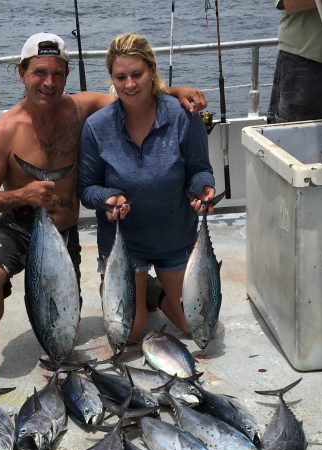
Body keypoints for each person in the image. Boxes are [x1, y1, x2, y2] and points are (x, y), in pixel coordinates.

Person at [0, 32, 206, 389]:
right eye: (39, 73)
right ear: (22, 73)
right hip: (19, 226)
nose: (49, 82)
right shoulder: (4, 130)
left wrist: (175, 91)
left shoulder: (80, 109)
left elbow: (131, 93)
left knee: (72, 321)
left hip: (62, 234)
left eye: (58, 74)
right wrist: (23, 194)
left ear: (66, 75)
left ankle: (151, 291)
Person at [78, 33, 216, 345]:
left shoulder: (183, 115)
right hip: (124, 245)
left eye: (137, 74)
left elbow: (199, 169)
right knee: (128, 335)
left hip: (174, 238)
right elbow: (86, 189)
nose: (129, 85)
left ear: (152, 70)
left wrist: (203, 190)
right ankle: (146, 290)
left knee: (200, 327)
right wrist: (107, 198)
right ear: (112, 78)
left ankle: (158, 294)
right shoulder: (96, 127)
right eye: (120, 77)